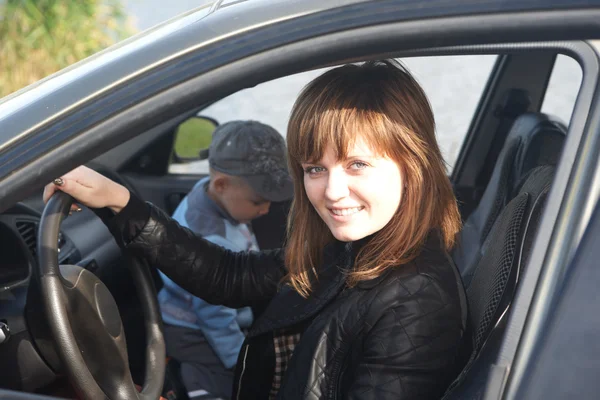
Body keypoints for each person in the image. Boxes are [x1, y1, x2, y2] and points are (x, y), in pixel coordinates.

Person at [44, 60, 469, 400]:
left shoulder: (417, 300)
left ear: (413, 165)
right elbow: (231, 277)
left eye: (357, 164)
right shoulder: (354, 247)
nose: (333, 191)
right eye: (315, 169)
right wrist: (121, 203)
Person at [159, 120, 293, 399]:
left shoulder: (208, 192)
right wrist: (240, 360)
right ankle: (192, 383)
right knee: (224, 379)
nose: (267, 209)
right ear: (221, 185)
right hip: (192, 330)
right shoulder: (211, 238)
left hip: (217, 314)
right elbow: (214, 316)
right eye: (258, 201)